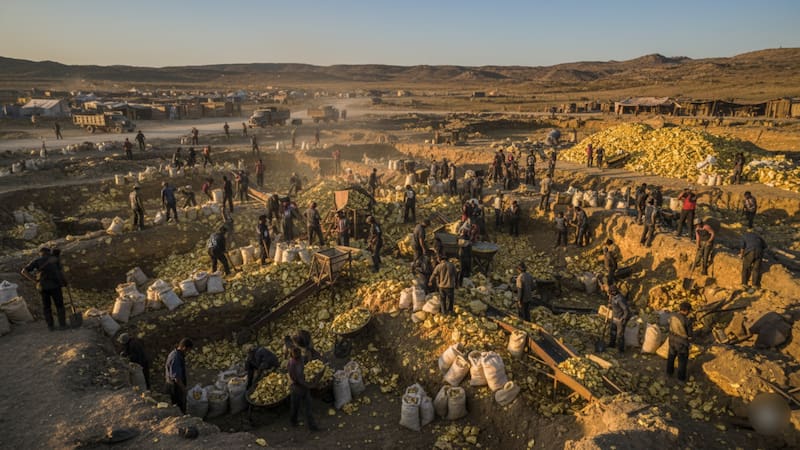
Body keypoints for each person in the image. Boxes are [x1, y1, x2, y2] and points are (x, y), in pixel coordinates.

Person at [21, 247, 66, 331]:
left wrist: (34, 280)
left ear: (40, 253)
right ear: (49, 252)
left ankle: (50, 326)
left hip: (42, 287)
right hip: (55, 286)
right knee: (59, 305)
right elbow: (60, 272)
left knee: (46, 307)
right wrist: (64, 282)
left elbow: (24, 271)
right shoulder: (55, 259)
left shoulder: (37, 261)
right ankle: (62, 325)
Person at [287, 346, 319, 431]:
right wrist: (309, 385)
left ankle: (312, 426)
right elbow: (297, 379)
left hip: (303, 387)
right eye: (297, 354)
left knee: (308, 407)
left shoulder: (300, 358)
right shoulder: (292, 364)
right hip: (297, 388)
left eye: (299, 353)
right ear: (293, 354)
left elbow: (305, 362)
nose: (299, 355)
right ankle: (293, 422)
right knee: (295, 407)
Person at [165, 338, 193, 414]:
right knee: (178, 405)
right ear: (184, 348)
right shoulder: (176, 358)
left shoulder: (175, 353)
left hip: (172, 384)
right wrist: (184, 389)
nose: (187, 353)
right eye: (188, 350)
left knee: (177, 405)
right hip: (174, 387)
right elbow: (176, 378)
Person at [666, 302, 693, 382]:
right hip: (681, 343)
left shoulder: (672, 315)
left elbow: (669, 323)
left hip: (672, 340)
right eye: (689, 311)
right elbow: (690, 334)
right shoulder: (687, 321)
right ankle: (681, 378)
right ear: (686, 311)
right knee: (682, 361)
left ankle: (669, 372)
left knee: (671, 356)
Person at [607, 285, 630, 353]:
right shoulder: (613, 297)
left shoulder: (620, 299)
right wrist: (610, 305)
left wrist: (623, 318)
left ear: (614, 292)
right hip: (614, 318)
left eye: (610, 292)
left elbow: (626, 309)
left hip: (619, 319)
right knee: (612, 332)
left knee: (620, 335)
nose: (610, 294)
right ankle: (612, 345)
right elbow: (612, 303)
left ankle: (621, 349)